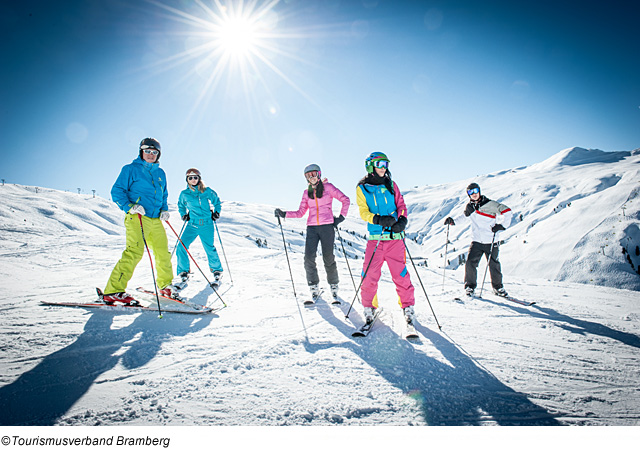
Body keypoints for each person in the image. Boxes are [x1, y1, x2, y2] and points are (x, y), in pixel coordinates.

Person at [103, 138, 179, 303]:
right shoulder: (130, 169)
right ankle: (113, 290)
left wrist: (164, 209)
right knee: (134, 252)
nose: (151, 155)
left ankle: (165, 285)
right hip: (137, 216)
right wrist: (129, 206)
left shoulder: (160, 173)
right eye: (147, 151)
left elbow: (163, 194)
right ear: (141, 151)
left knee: (162, 253)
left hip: (155, 219)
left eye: (154, 152)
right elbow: (117, 190)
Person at [274, 164, 350, 301]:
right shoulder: (306, 193)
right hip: (312, 228)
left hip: (327, 227)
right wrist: (284, 214)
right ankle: (313, 286)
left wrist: (340, 218)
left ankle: (333, 285)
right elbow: (300, 212)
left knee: (328, 257)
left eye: (313, 174)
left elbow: (345, 200)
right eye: (308, 176)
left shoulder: (329, 187)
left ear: (319, 174)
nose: (311, 177)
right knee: (309, 258)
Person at [356, 152, 416, 325]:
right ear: (370, 165)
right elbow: (363, 211)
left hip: (395, 239)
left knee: (400, 274)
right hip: (376, 239)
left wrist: (402, 220)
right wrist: (377, 219)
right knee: (368, 275)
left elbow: (401, 206)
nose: (384, 168)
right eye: (380, 164)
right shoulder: (362, 188)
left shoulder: (391, 185)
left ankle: (407, 306)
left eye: (386, 164)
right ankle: (369, 307)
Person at [444, 182, 513, 297]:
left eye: (475, 191)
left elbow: (507, 211)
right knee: (470, 263)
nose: (474, 194)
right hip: (476, 241)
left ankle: (498, 288)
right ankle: (470, 287)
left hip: (491, 240)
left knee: (493, 264)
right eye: (470, 192)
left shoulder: (490, 204)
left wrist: (502, 226)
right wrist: (453, 221)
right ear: (468, 194)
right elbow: (464, 217)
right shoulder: (470, 207)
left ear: (479, 191)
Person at [176, 168, 223, 285]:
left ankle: (217, 270)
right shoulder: (184, 194)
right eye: (190, 178)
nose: (193, 180)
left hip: (206, 224)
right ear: (187, 180)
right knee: (181, 246)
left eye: (195, 177)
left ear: (199, 178)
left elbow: (217, 201)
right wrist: (183, 215)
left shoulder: (206, 191)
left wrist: (217, 212)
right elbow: (181, 205)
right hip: (192, 224)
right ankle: (184, 271)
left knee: (209, 247)